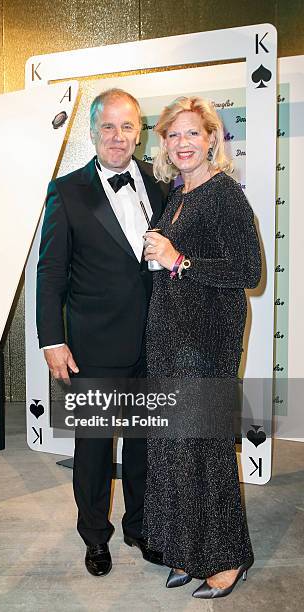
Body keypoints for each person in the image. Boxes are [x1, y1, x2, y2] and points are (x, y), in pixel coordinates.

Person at [36, 88, 170, 577]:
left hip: (153, 342)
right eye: (108, 127)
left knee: (143, 444)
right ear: (92, 132)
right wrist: (53, 339)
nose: (118, 137)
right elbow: (50, 273)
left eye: (127, 126)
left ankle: (140, 525)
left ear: (140, 131)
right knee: (94, 450)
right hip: (93, 346)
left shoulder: (159, 185)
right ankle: (95, 536)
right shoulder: (67, 191)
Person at [143, 96, 261, 599]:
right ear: (164, 144)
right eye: (173, 135)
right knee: (175, 450)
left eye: (193, 133)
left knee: (206, 449)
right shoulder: (177, 195)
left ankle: (229, 558)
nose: (183, 143)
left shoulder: (225, 194)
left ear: (212, 138)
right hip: (169, 339)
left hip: (206, 342)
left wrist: (178, 261)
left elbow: (248, 273)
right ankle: (191, 551)